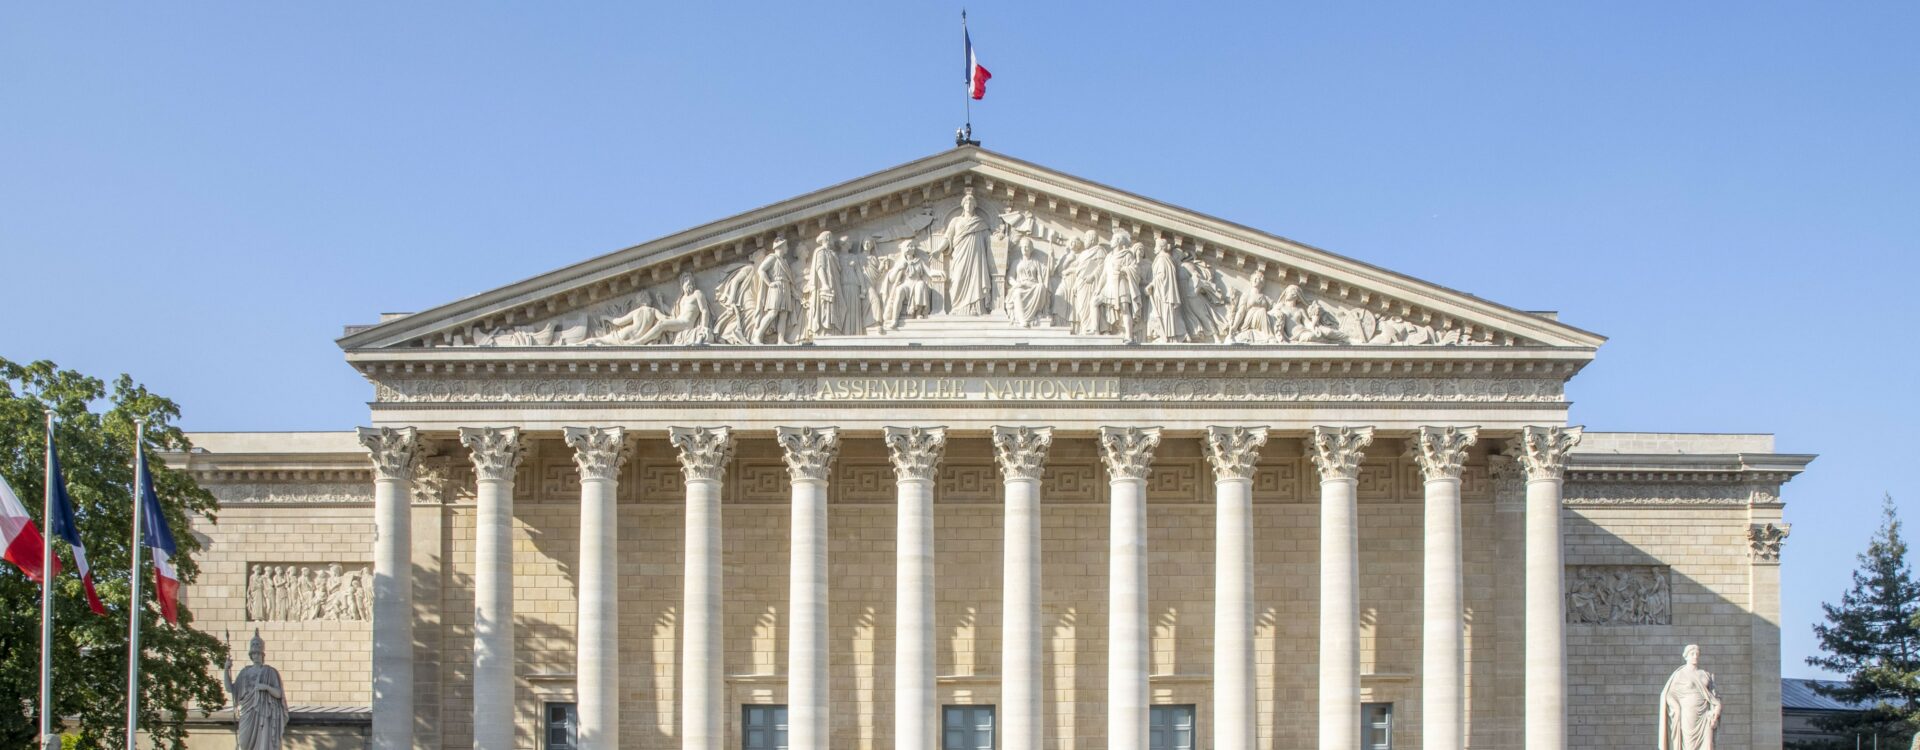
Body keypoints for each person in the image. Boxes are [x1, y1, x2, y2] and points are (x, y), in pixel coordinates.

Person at [226, 630, 289, 749]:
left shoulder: (270, 672)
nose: (256, 656)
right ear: (251, 655)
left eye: (258, 653)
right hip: (247, 713)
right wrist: (226, 669)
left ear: (262, 655)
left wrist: (266, 687)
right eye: (254, 653)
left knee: (263, 745)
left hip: (263, 714)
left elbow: (279, 694)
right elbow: (230, 689)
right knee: (243, 744)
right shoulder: (244, 673)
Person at [937, 188, 995, 315]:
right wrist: (938, 250)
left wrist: (999, 237)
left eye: (971, 203)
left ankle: (976, 308)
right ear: (963, 205)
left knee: (976, 280)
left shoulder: (980, 222)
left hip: (976, 257)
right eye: (966, 203)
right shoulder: (955, 221)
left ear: (974, 206)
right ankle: (957, 308)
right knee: (957, 279)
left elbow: (989, 239)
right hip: (959, 255)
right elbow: (947, 237)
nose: (968, 205)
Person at [1658, 644, 1721, 750]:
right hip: (1688, 714)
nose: (1695, 656)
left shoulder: (1705, 674)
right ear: (1686, 656)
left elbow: (1714, 696)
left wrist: (1716, 712)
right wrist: (1676, 707)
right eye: (1692, 654)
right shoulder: (1680, 674)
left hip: (1705, 715)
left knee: (1708, 745)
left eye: (1697, 654)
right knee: (1689, 746)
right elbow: (1668, 694)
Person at [751, 237, 799, 344]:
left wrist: (794, 292)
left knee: (784, 315)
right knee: (773, 312)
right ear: (780, 247)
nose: (787, 248)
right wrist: (769, 283)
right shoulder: (772, 258)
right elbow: (761, 270)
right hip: (776, 287)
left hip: (785, 287)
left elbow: (789, 279)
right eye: (785, 246)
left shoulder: (784, 261)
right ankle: (757, 336)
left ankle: (781, 340)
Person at [881, 238, 934, 330]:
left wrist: (937, 273)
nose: (912, 248)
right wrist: (898, 268)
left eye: (913, 246)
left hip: (916, 283)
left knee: (921, 284)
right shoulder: (901, 262)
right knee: (899, 290)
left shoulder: (919, 261)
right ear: (905, 249)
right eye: (910, 246)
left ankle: (918, 313)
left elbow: (929, 272)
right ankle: (895, 319)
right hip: (906, 285)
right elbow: (891, 279)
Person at [800, 230, 843, 339]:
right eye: (831, 237)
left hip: (834, 284)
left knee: (833, 306)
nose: (833, 239)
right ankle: (825, 330)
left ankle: (833, 329)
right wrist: (824, 284)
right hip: (825, 285)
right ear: (827, 238)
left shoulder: (831, 253)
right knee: (825, 305)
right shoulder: (821, 251)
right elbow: (820, 268)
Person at [1003, 236, 1053, 327]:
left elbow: (1047, 273)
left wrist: (1051, 256)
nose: (1025, 248)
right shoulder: (1016, 262)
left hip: (1033, 286)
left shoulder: (1036, 263)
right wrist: (1017, 284)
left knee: (1041, 287)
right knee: (1017, 293)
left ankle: (1038, 312)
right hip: (1021, 286)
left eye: (1027, 246)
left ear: (1031, 249)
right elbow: (1010, 277)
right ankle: (1022, 319)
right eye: (1023, 246)